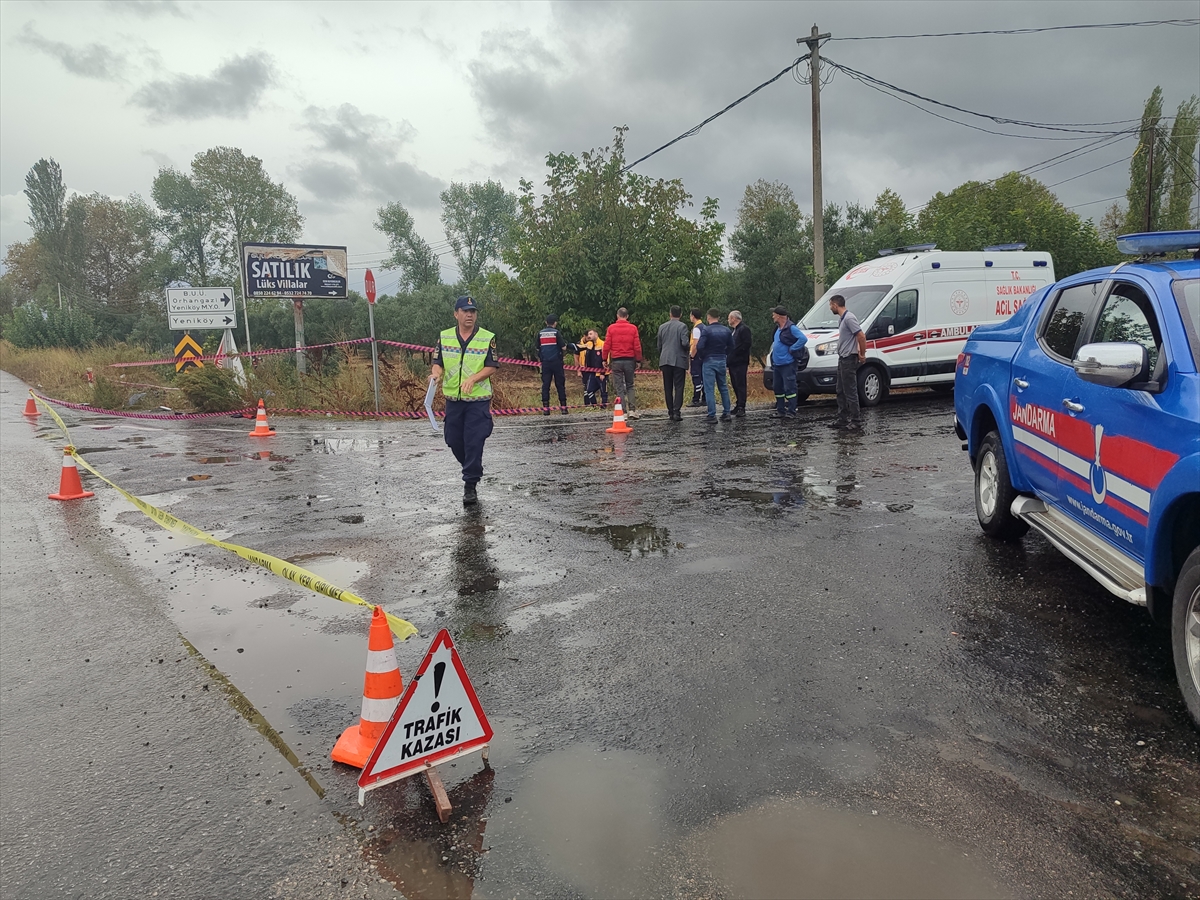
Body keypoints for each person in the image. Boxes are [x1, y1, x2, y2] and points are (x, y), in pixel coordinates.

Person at [431, 296, 499, 506]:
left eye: (473, 311)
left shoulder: (487, 337)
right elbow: (437, 361)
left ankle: (470, 484)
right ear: (456, 313)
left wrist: (473, 378)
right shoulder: (445, 337)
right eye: (465, 311)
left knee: (474, 440)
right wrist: (435, 374)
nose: (469, 315)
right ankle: (473, 467)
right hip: (453, 399)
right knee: (453, 440)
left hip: (477, 400)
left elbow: (492, 366)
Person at [829, 293, 867, 429]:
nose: (830, 308)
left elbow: (861, 336)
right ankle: (843, 419)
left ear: (835, 304)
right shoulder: (842, 319)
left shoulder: (849, 318)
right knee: (840, 390)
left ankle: (856, 420)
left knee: (850, 390)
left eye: (830, 305)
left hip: (849, 359)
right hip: (842, 358)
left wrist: (861, 354)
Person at [694, 308, 733, 423]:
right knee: (723, 387)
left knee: (709, 388)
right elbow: (732, 345)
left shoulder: (706, 330)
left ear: (708, 317)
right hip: (721, 359)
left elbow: (700, 346)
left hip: (709, 361)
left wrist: (702, 356)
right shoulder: (726, 330)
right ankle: (727, 412)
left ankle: (712, 415)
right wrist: (725, 354)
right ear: (719, 317)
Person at [603, 308, 642, 418]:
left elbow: (606, 345)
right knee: (630, 385)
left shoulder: (611, 328)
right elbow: (637, 346)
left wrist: (604, 359)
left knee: (619, 386)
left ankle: (623, 412)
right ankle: (632, 411)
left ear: (617, 316)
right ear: (627, 316)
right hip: (629, 360)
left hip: (616, 360)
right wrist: (638, 360)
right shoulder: (633, 328)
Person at [769, 305, 807, 419]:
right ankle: (780, 410)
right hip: (777, 364)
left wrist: (793, 348)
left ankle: (791, 411)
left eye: (774, 314)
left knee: (790, 388)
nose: (772, 316)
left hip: (788, 364)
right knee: (777, 387)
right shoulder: (777, 328)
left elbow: (803, 339)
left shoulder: (791, 327)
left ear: (780, 316)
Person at [535, 314, 576, 416]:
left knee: (546, 385)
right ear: (555, 323)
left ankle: (546, 408)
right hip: (557, 362)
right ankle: (563, 408)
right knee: (560, 385)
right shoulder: (556, 333)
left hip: (545, 363)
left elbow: (537, 347)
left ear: (546, 322)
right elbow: (563, 347)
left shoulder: (540, 333)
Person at [657, 305, 690, 421]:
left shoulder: (662, 327)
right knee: (679, 386)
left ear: (670, 314)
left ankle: (670, 411)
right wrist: (688, 350)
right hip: (678, 360)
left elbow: (659, 345)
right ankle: (677, 411)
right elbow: (685, 343)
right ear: (680, 315)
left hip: (665, 359)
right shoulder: (683, 327)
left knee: (667, 386)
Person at [727, 310, 752, 418]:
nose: (728, 320)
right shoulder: (734, 330)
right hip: (733, 362)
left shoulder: (743, 329)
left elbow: (747, 344)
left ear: (734, 318)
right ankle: (738, 403)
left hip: (740, 362)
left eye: (729, 318)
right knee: (735, 384)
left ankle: (742, 406)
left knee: (741, 384)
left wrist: (735, 352)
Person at [578, 329, 607, 408]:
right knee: (589, 390)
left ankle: (604, 407)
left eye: (591, 334)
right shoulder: (589, 344)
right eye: (588, 334)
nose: (589, 336)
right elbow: (580, 347)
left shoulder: (602, 344)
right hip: (592, 372)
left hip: (601, 372)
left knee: (603, 390)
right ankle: (594, 406)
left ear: (596, 334)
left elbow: (606, 359)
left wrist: (602, 373)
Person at [688, 308, 706, 407]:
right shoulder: (704, 326)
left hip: (697, 356)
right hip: (703, 356)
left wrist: (692, 356)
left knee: (696, 377)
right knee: (703, 377)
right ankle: (704, 398)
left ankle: (696, 399)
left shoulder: (696, 328)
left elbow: (695, 344)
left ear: (693, 316)